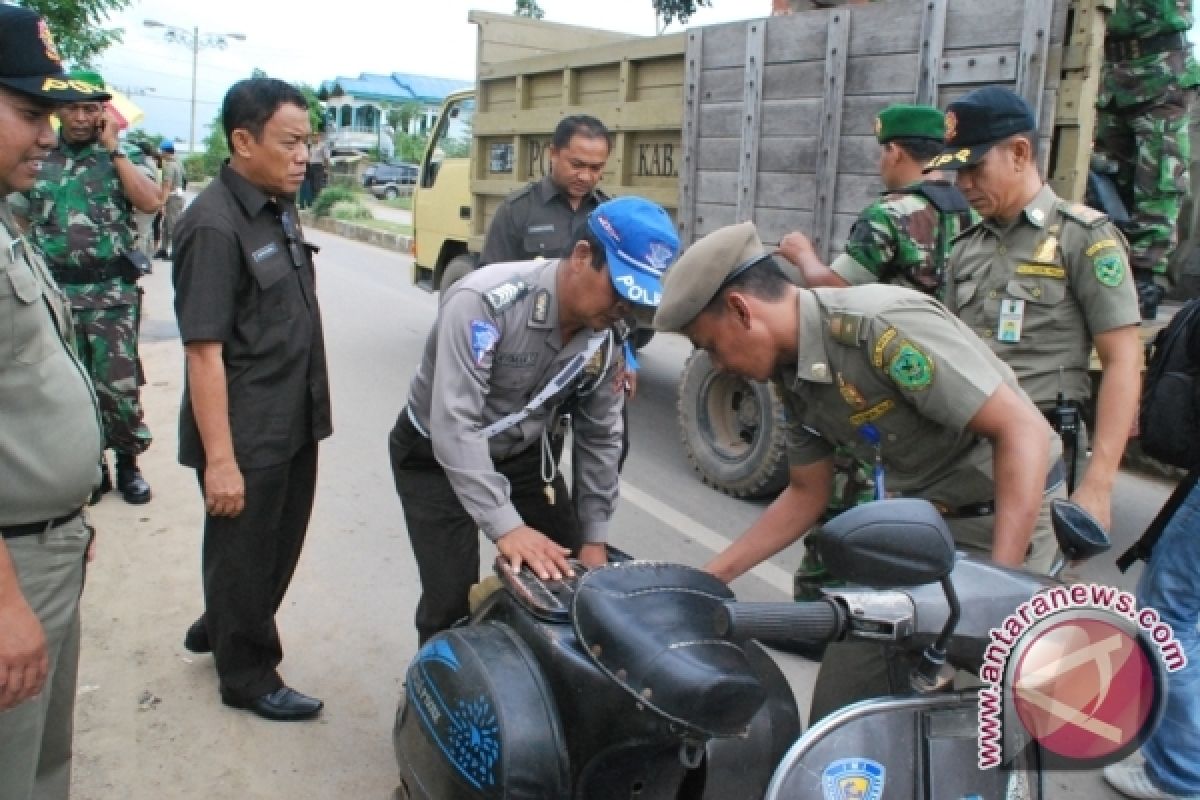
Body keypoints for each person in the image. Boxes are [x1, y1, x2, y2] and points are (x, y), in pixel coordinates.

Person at [654, 221, 1067, 721]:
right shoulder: (790, 370)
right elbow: (807, 493)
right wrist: (708, 578)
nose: (716, 365)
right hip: (918, 533)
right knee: (844, 707)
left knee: (981, 727)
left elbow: (1020, 431)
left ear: (742, 310)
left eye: (710, 346)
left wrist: (999, 591)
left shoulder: (879, 327)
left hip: (1005, 523)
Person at [390, 195, 679, 644]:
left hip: (519, 454)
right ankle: (437, 688)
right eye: (619, 290)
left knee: (574, 573)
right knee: (451, 599)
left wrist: (595, 536)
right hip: (435, 455)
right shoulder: (485, 303)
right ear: (583, 256)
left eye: (636, 299)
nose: (624, 307)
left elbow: (601, 436)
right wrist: (508, 528)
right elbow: (455, 425)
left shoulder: (606, 337)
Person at [172, 77, 332, 722]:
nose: (304, 156)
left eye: (307, 142)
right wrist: (221, 462)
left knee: (272, 548)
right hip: (244, 432)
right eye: (290, 142)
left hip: (291, 418)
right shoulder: (212, 225)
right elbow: (202, 352)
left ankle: (224, 618)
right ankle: (248, 674)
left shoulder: (275, 204)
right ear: (243, 141)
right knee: (245, 551)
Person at [929, 85, 1143, 532]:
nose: (963, 184)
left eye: (974, 167)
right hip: (964, 455)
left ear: (1020, 153)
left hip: (1041, 452)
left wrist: (1100, 484)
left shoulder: (1083, 238)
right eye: (956, 171)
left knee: (1027, 591)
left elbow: (1123, 359)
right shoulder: (967, 247)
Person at [0, 7, 105, 798]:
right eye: (29, 113)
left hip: (43, 545)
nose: (48, 134)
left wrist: (65, 519)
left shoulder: (7, 216)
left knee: (42, 764)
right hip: (10, 566)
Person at [15, 69, 160, 506]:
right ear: (59, 111)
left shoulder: (120, 156)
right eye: (73, 108)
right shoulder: (38, 157)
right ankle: (91, 467)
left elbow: (151, 201)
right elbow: (20, 221)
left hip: (112, 295)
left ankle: (128, 464)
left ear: (103, 112)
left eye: (90, 108)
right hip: (57, 297)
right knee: (72, 387)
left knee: (119, 385)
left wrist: (114, 152)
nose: (80, 117)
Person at [777, 103, 975, 298]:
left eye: (882, 152)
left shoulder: (887, 214)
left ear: (895, 152)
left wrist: (802, 254)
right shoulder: (973, 210)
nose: (878, 162)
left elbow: (837, 289)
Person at [1095, 0, 1200, 311]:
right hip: (1109, 75)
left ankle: (1148, 276)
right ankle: (1110, 268)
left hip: (1162, 71)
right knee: (1110, 180)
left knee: (1159, 178)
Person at [479, 114, 612, 267]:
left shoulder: (608, 215)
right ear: (553, 154)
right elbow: (489, 278)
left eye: (595, 168)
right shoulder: (517, 211)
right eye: (577, 165)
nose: (585, 177)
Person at [133, 142, 162, 260]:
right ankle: (148, 259)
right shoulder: (151, 164)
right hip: (154, 198)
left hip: (144, 201)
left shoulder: (139, 167)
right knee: (148, 231)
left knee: (142, 233)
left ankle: (141, 261)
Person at [157, 140, 186, 259]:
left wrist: (162, 203)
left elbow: (167, 185)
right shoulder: (179, 162)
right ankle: (163, 249)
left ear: (164, 151)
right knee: (166, 225)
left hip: (172, 197)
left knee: (172, 226)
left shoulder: (169, 165)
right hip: (178, 196)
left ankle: (175, 251)